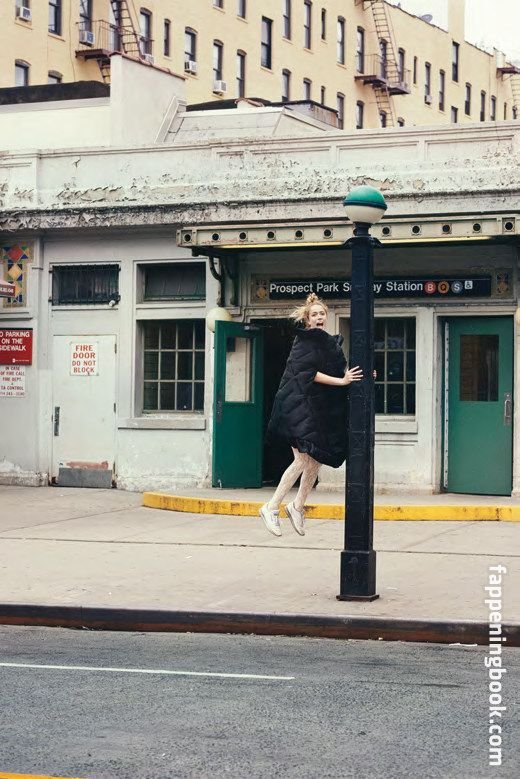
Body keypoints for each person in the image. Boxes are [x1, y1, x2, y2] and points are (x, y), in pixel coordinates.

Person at [260, 293, 363, 537]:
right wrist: (343, 381)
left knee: (315, 460)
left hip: (314, 410)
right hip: (296, 407)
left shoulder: (326, 342)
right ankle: (271, 507)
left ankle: (297, 507)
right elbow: (309, 373)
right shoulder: (305, 341)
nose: (319, 317)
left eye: (322, 313)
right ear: (307, 319)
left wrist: (362, 376)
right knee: (302, 460)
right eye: (314, 314)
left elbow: (339, 372)